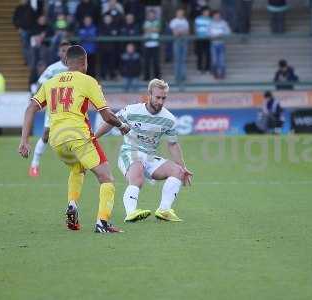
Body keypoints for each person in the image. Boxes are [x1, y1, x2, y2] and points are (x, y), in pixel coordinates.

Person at [18, 45, 130, 233]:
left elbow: (30, 108)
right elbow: (107, 116)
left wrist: (24, 141)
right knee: (106, 177)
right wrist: (122, 126)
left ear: (66, 62)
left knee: (78, 168)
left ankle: (72, 206)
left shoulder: (50, 82)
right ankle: (102, 223)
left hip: (56, 139)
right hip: (78, 135)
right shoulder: (88, 81)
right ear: (84, 62)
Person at [95, 79, 193, 222]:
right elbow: (111, 121)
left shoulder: (168, 119)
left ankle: (164, 210)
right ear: (149, 94)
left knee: (177, 171)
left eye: (163, 98)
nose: (160, 101)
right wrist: (94, 137)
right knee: (138, 175)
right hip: (130, 152)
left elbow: (172, 144)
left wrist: (183, 167)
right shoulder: (132, 110)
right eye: (157, 97)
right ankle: (131, 212)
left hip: (150, 157)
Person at [29, 41, 71, 177]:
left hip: (72, 108)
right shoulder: (52, 69)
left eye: (67, 50)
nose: (65, 53)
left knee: (77, 135)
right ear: (59, 53)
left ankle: (82, 166)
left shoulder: (76, 68)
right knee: (46, 135)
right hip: (54, 108)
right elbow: (40, 84)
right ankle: (34, 165)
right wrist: (36, 99)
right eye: (63, 50)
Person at [12, 0, 37, 64]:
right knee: (25, 46)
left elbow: (34, 20)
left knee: (29, 46)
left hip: (30, 30)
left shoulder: (30, 9)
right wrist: (18, 28)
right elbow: (14, 19)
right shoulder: (18, 9)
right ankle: (27, 60)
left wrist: (33, 30)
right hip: (23, 30)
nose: (23, 1)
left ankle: (30, 60)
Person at [169, 8, 190, 83]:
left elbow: (187, 31)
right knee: (177, 59)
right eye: (179, 13)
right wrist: (180, 32)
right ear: (176, 13)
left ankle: (183, 76)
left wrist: (180, 32)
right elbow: (174, 32)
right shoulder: (173, 21)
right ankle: (177, 77)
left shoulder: (185, 21)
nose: (180, 14)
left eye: (182, 13)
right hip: (177, 41)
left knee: (183, 59)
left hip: (184, 41)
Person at [209, 10, 231, 79]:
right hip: (213, 44)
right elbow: (208, 33)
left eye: (218, 15)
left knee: (222, 60)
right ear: (213, 16)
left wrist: (222, 34)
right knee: (214, 60)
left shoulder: (224, 23)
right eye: (215, 16)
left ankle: (222, 74)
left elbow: (228, 32)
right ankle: (215, 73)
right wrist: (212, 35)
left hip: (221, 44)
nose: (217, 17)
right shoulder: (210, 23)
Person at [143, 9, 161, 81]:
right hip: (147, 44)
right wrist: (152, 29)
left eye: (152, 14)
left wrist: (150, 29)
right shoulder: (145, 22)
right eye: (150, 15)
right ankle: (146, 77)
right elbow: (145, 30)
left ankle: (157, 78)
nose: (151, 16)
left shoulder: (157, 22)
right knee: (146, 62)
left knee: (156, 62)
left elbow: (157, 30)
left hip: (155, 44)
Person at [194, 6, 211, 73]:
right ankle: (199, 68)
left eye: (208, 11)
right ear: (203, 12)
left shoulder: (210, 19)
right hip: (200, 39)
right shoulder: (198, 19)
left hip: (207, 39)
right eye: (206, 11)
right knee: (200, 54)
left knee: (208, 54)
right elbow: (196, 28)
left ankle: (207, 68)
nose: (207, 13)